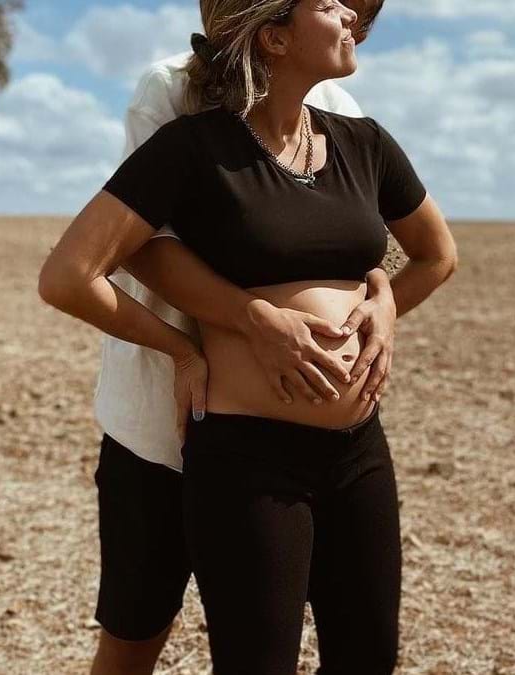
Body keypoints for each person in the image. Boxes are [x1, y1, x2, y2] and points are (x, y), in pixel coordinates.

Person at [38, 0, 457, 672]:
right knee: (144, 631)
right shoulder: (188, 133)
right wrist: (181, 344)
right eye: (329, 4)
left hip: (359, 452)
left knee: (369, 659)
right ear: (274, 35)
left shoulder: (359, 134)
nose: (352, 15)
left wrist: (384, 302)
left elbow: (433, 254)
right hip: (237, 454)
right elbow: (84, 267)